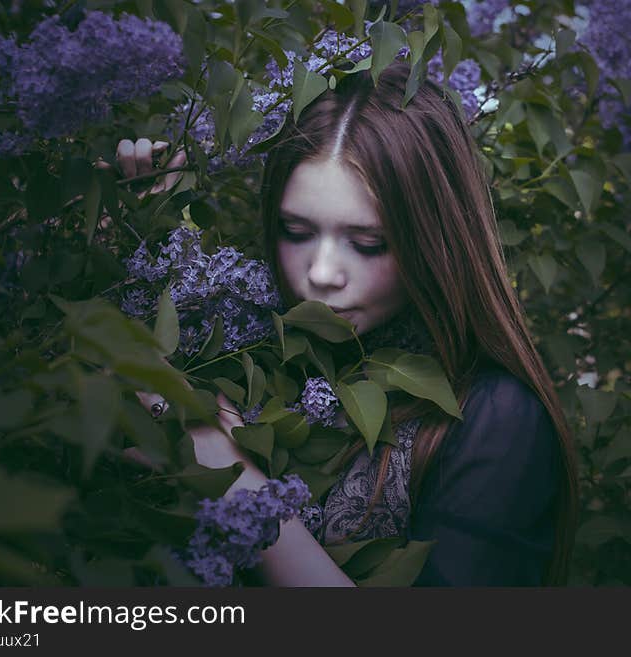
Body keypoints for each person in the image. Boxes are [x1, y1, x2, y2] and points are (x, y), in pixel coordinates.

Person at [121, 60, 579, 586]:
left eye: (368, 243)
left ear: (435, 242)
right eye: (295, 232)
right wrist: (132, 243)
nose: (320, 273)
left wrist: (233, 481)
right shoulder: (241, 339)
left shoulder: (494, 420)